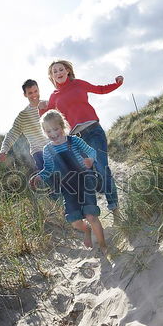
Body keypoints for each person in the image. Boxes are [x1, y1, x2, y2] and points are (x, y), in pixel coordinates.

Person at [42, 60, 124, 223]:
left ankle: (115, 210)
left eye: (61, 69)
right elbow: (49, 120)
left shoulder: (78, 84)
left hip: (93, 131)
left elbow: (100, 89)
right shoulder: (54, 97)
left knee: (102, 168)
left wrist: (117, 83)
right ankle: (91, 215)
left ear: (67, 71)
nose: (58, 72)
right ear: (51, 76)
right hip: (74, 140)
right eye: (54, 71)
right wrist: (42, 108)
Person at [29, 110, 107, 252]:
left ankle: (103, 246)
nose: (53, 134)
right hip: (67, 186)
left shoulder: (74, 140)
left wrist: (90, 159)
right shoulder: (48, 150)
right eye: (48, 131)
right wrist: (40, 176)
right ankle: (86, 230)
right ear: (44, 132)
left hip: (84, 180)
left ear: (62, 126)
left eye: (56, 129)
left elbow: (92, 152)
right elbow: (48, 168)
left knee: (91, 215)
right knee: (75, 221)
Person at [0, 79, 48, 170]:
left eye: (35, 91)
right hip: (39, 152)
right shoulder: (23, 116)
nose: (34, 95)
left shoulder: (49, 105)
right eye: (30, 93)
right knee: (51, 179)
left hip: (55, 146)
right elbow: (12, 134)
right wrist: (4, 150)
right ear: (25, 95)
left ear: (39, 90)